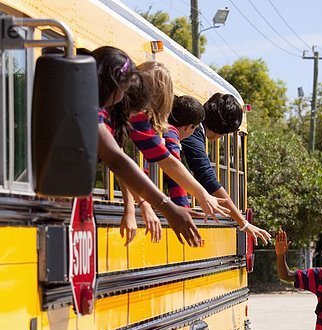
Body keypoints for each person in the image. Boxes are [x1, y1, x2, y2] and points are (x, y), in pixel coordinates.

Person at [90, 46, 202, 248]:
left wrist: (141, 206)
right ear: (112, 85)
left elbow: (120, 159)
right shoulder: (94, 110)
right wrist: (168, 207)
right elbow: (118, 160)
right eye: (124, 92)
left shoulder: (101, 111)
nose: (124, 100)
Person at [115, 61, 229, 222]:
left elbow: (121, 162)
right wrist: (190, 201)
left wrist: (139, 205)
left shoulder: (134, 119)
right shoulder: (145, 122)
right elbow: (170, 165)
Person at [181, 93, 272, 245]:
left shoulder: (195, 131)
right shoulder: (193, 131)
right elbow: (208, 180)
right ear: (224, 130)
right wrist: (243, 223)